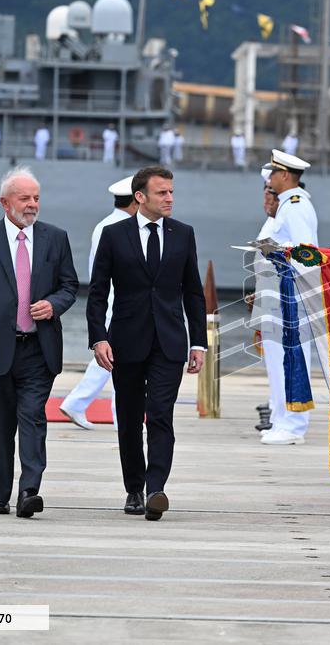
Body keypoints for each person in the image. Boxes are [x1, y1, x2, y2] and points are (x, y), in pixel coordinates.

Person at [0, 166, 78, 517]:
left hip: (39, 349)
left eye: (36, 198)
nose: (32, 204)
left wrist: (53, 305)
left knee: (33, 418)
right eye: (25, 198)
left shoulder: (56, 238)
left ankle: (29, 491)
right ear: (5, 202)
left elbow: (70, 286)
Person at [87, 166, 207, 521]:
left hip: (169, 343)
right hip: (126, 341)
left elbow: (194, 293)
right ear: (140, 197)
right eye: (162, 193)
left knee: (159, 415)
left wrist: (198, 342)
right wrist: (98, 338)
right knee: (127, 418)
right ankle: (134, 489)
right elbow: (96, 294)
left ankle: (157, 488)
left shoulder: (184, 234)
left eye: (171, 192)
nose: (169, 198)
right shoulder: (113, 235)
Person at [59, 176, 139, 430]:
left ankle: (89, 407)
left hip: (109, 299)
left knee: (114, 359)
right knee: (118, 359)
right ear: (136, 201)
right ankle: (103, 411)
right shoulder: (126, 227)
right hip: (120, 302)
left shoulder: (105, 225)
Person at [257, 149, 318, 446]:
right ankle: (283, 420)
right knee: (281, 358)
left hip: (293, 291)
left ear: (284, 176)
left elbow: (307, 252)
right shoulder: (287, 206)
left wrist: (274, 251)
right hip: (283, 291)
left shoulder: (294, 206)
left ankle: (294, 424)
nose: (269, 179)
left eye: (272, 173)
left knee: (293, 356)